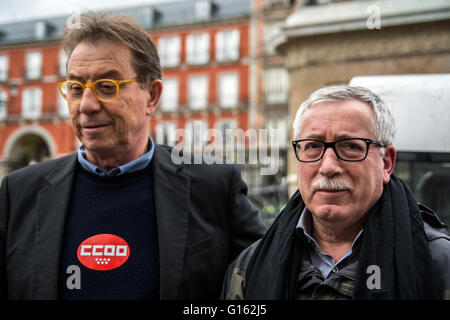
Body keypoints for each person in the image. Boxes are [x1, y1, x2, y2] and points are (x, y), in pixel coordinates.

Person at [0, 13, 266, 300]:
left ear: (151, 95)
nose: (86, 105)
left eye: (107, 87)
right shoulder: (19, 193)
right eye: (76, 88)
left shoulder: (214, 187)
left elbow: (267, 278)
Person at [222, 85, 450, 300]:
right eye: (312, 146)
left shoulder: (439, 263)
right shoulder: (249, 267)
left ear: (387, 163)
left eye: (351, 146)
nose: (328, 166)